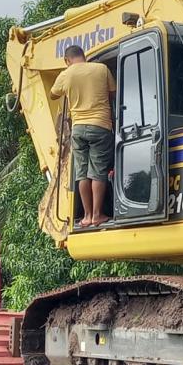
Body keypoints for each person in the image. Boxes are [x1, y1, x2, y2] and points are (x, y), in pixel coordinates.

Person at [50, 44, 116, 227]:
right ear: (84, 55)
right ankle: (97, 215)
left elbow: (53, 94)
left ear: (67, 60)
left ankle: (86, 216)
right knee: (98, 172)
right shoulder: (101, 69)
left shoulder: (66, 74)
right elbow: (112, 93)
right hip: (100, 126)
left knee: (82, 173)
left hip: (78, 129)